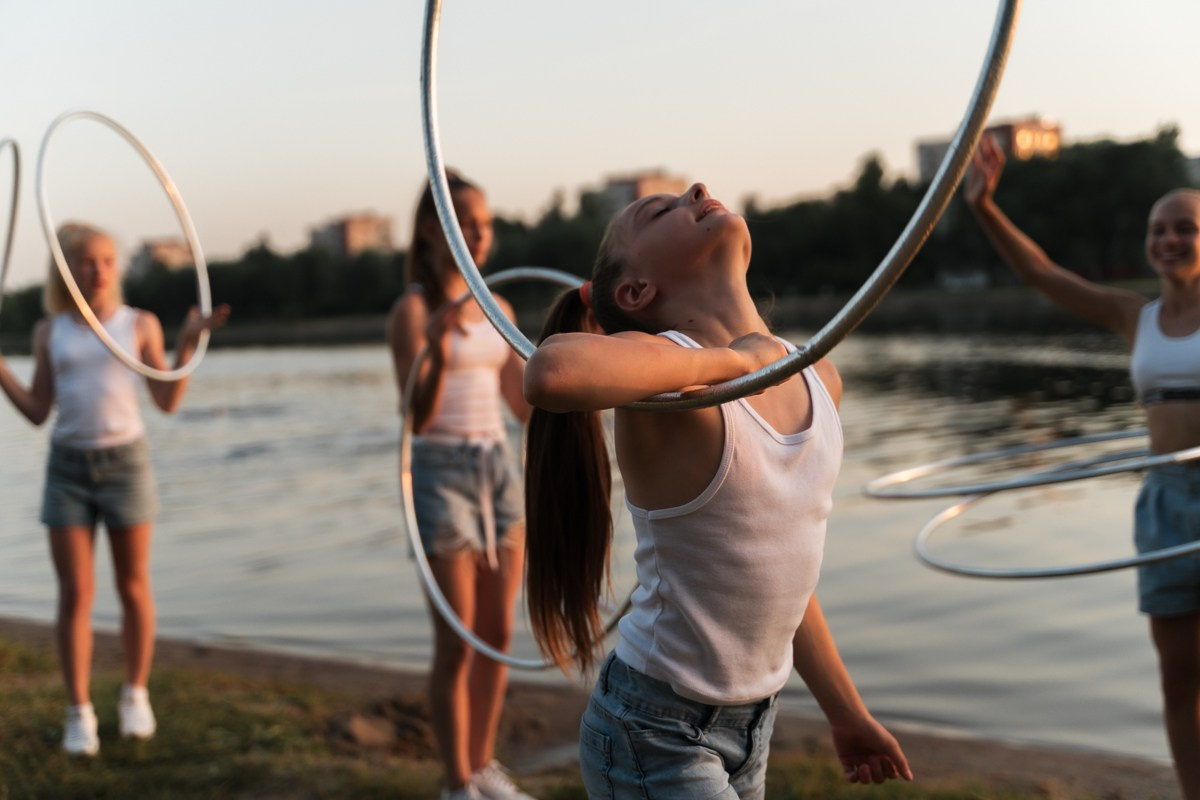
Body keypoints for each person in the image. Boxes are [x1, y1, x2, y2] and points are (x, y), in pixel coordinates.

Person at [521, 182, 913, 798]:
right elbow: (551, 371)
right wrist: (731, 364)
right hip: (652, 730)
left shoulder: (821, 380)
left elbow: (781, 581)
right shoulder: (666, 386)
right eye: (660, 210)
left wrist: (847, 713)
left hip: (752, 728)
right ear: (635, 292)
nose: (696, 190)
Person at [965, 133, 1200, 799]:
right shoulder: (1136, 315)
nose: (1169, 240)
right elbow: (1043, 273)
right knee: (1180, 677)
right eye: (1160, 229)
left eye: (1186, 228)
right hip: (1163, 504)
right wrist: (984, 206)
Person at [0, 221, 230, 756]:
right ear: (67, 270)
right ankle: (79, 712)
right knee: (75, 595)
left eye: (107, 261)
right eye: (86, 261)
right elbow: (37, 411)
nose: (98, 270)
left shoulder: (138, 324)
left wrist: (189, 342)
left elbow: (167, 401)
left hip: (127, 465)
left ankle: (135, 694)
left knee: (132, 587)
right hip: (67, 470)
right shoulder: (49, 330)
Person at [386, 173, 536, 800]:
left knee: (498, 634)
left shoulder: (499, 310)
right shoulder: (414, 312)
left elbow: (521, 405)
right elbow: (415, 416)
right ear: (432, 229)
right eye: (466, 221)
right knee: (458, 639)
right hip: (439, 470)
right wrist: (441, 346)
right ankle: (455, 787)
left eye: (484, 223)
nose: (478, 233)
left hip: (497, 470)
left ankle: (480, 767)